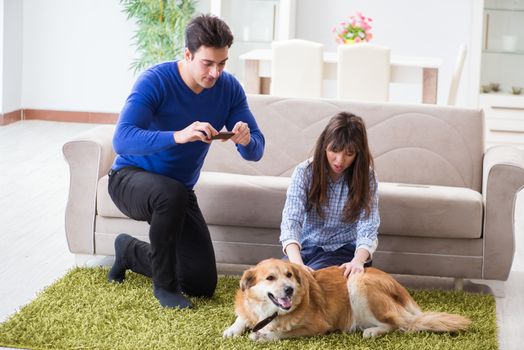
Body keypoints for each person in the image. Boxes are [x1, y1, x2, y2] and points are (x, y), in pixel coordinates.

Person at [106, 14, 265, 309]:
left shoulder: (228, 88)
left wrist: (246, 140)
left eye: (223, 63)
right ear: (188, 55)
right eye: (208, 63)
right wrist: (178, 136)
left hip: (177, 193)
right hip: (129, 179)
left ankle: (129, 251)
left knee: (200, 283)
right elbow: (122, 138)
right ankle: (164, 290)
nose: (216, 73)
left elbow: (257, 149)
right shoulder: (155, 81)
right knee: (171, 193)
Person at [279, 112, 379, 277]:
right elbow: (291, 221)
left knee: (314, 281)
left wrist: (358, 261)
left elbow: (368, 226)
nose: (339, 160)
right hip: (307, 248)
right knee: (280, 278)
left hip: (346, 250)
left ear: (358, 154)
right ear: (325, 144)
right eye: (334, 150)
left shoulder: (367, 177)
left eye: (349, 154)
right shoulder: (304, 172)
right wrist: (297, 265)